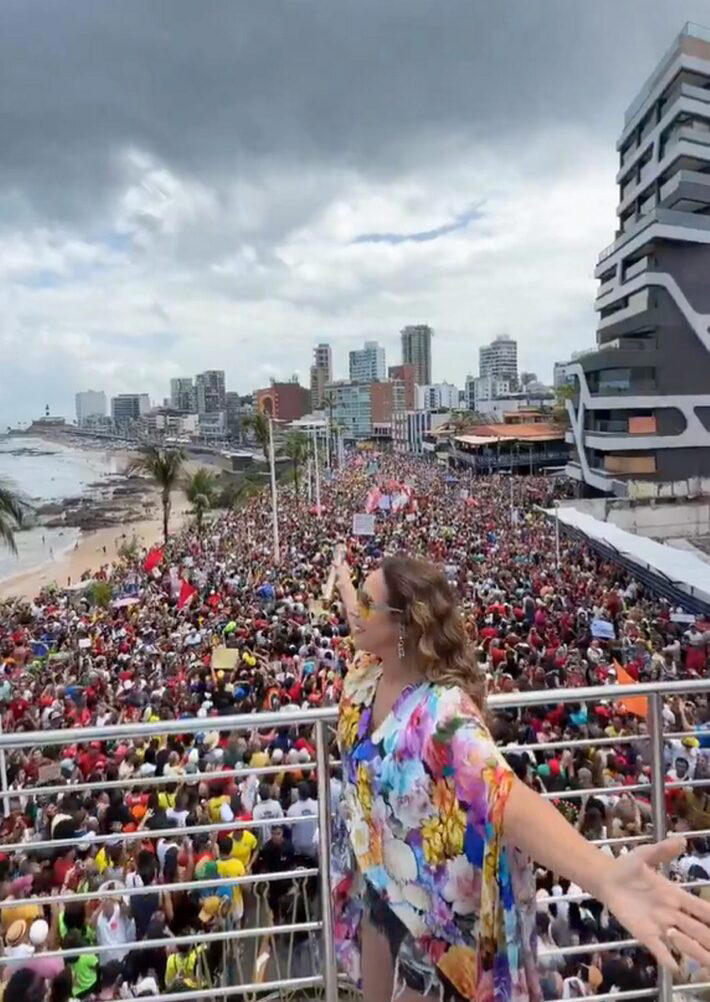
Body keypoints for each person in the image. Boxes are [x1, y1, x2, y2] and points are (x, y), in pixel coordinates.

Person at [332, 551, 710, 1002]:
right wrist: (341, 575)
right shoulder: (367, 670)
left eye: (366, 601)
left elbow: (506, 796)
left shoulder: (440, 713)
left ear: (404, 626)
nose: (356, 610)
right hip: (375, 868)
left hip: (432, 896)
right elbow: (357, 613)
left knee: (423, 985)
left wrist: (603, 875)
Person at [286, 781, 318, 861]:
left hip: (299, 848)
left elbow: (288, 827)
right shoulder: (317, 805)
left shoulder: (292, 809)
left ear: (298, 793)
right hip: (314, 846)